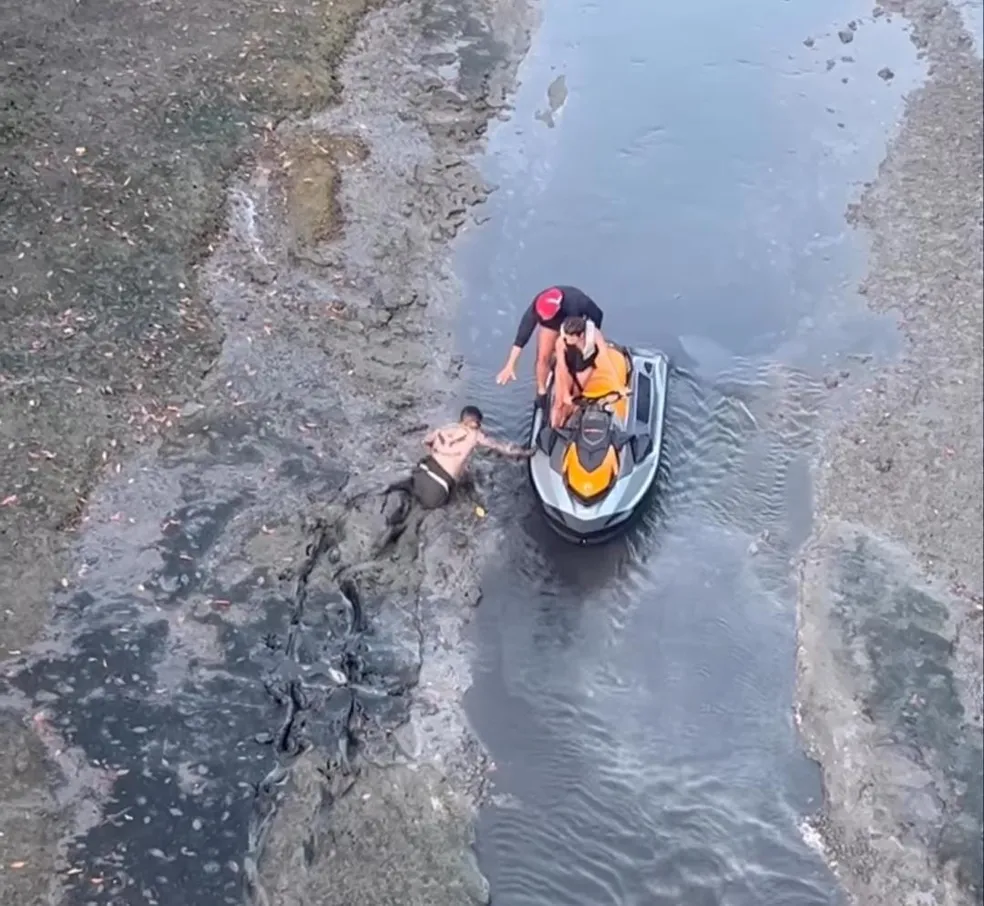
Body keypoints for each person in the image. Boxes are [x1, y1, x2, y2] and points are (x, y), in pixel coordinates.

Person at [388, 405, 535, 511]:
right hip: (437, 490)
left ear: (461, 420)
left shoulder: (444, 429)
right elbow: (504, 448)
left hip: (419, 474)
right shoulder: (475, 435)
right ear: (477, 424)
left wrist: (435, 453)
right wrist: (527, 452)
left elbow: (425, 441)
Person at [495, 285, 605, 407]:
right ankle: (542, 392)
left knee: (573, 362)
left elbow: (598, 315)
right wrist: (510, 364)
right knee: (543, 357)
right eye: (541, 316)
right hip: (551, 326)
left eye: (545, 316)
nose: (542, 317)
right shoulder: (537, 307)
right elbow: (522, 336)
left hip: (572, 324)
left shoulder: (578, 301)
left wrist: (589, 337)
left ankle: (571, 392)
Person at [550, 315, 622, 429]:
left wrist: (618, 385)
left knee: (574, 400)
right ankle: (553, 429)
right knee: (560, 402)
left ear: (581, 336)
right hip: (566, 366)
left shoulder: (594, 335)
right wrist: (565, 393)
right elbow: (562, 367)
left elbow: (605, 358)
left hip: (584, 366)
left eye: (570, 338)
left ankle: (566, 423)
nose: (566, 339)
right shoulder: (562, 341)